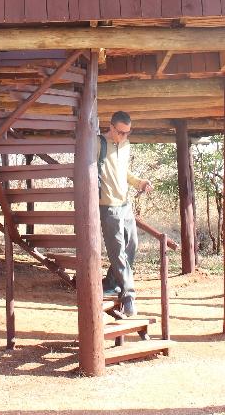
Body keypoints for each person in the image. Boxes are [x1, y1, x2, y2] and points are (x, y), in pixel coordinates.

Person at [97, 111, 152, 317]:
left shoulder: (126, 145)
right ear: (111, 127)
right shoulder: (97, 144)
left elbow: (123, 172)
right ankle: (129, 296)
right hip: (107, 205)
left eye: (128, 133)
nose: (124, 136)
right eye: (121, 132)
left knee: (132, 245)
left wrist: (140, 182)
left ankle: (111, 282)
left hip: (125, 204)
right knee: (117, 250)